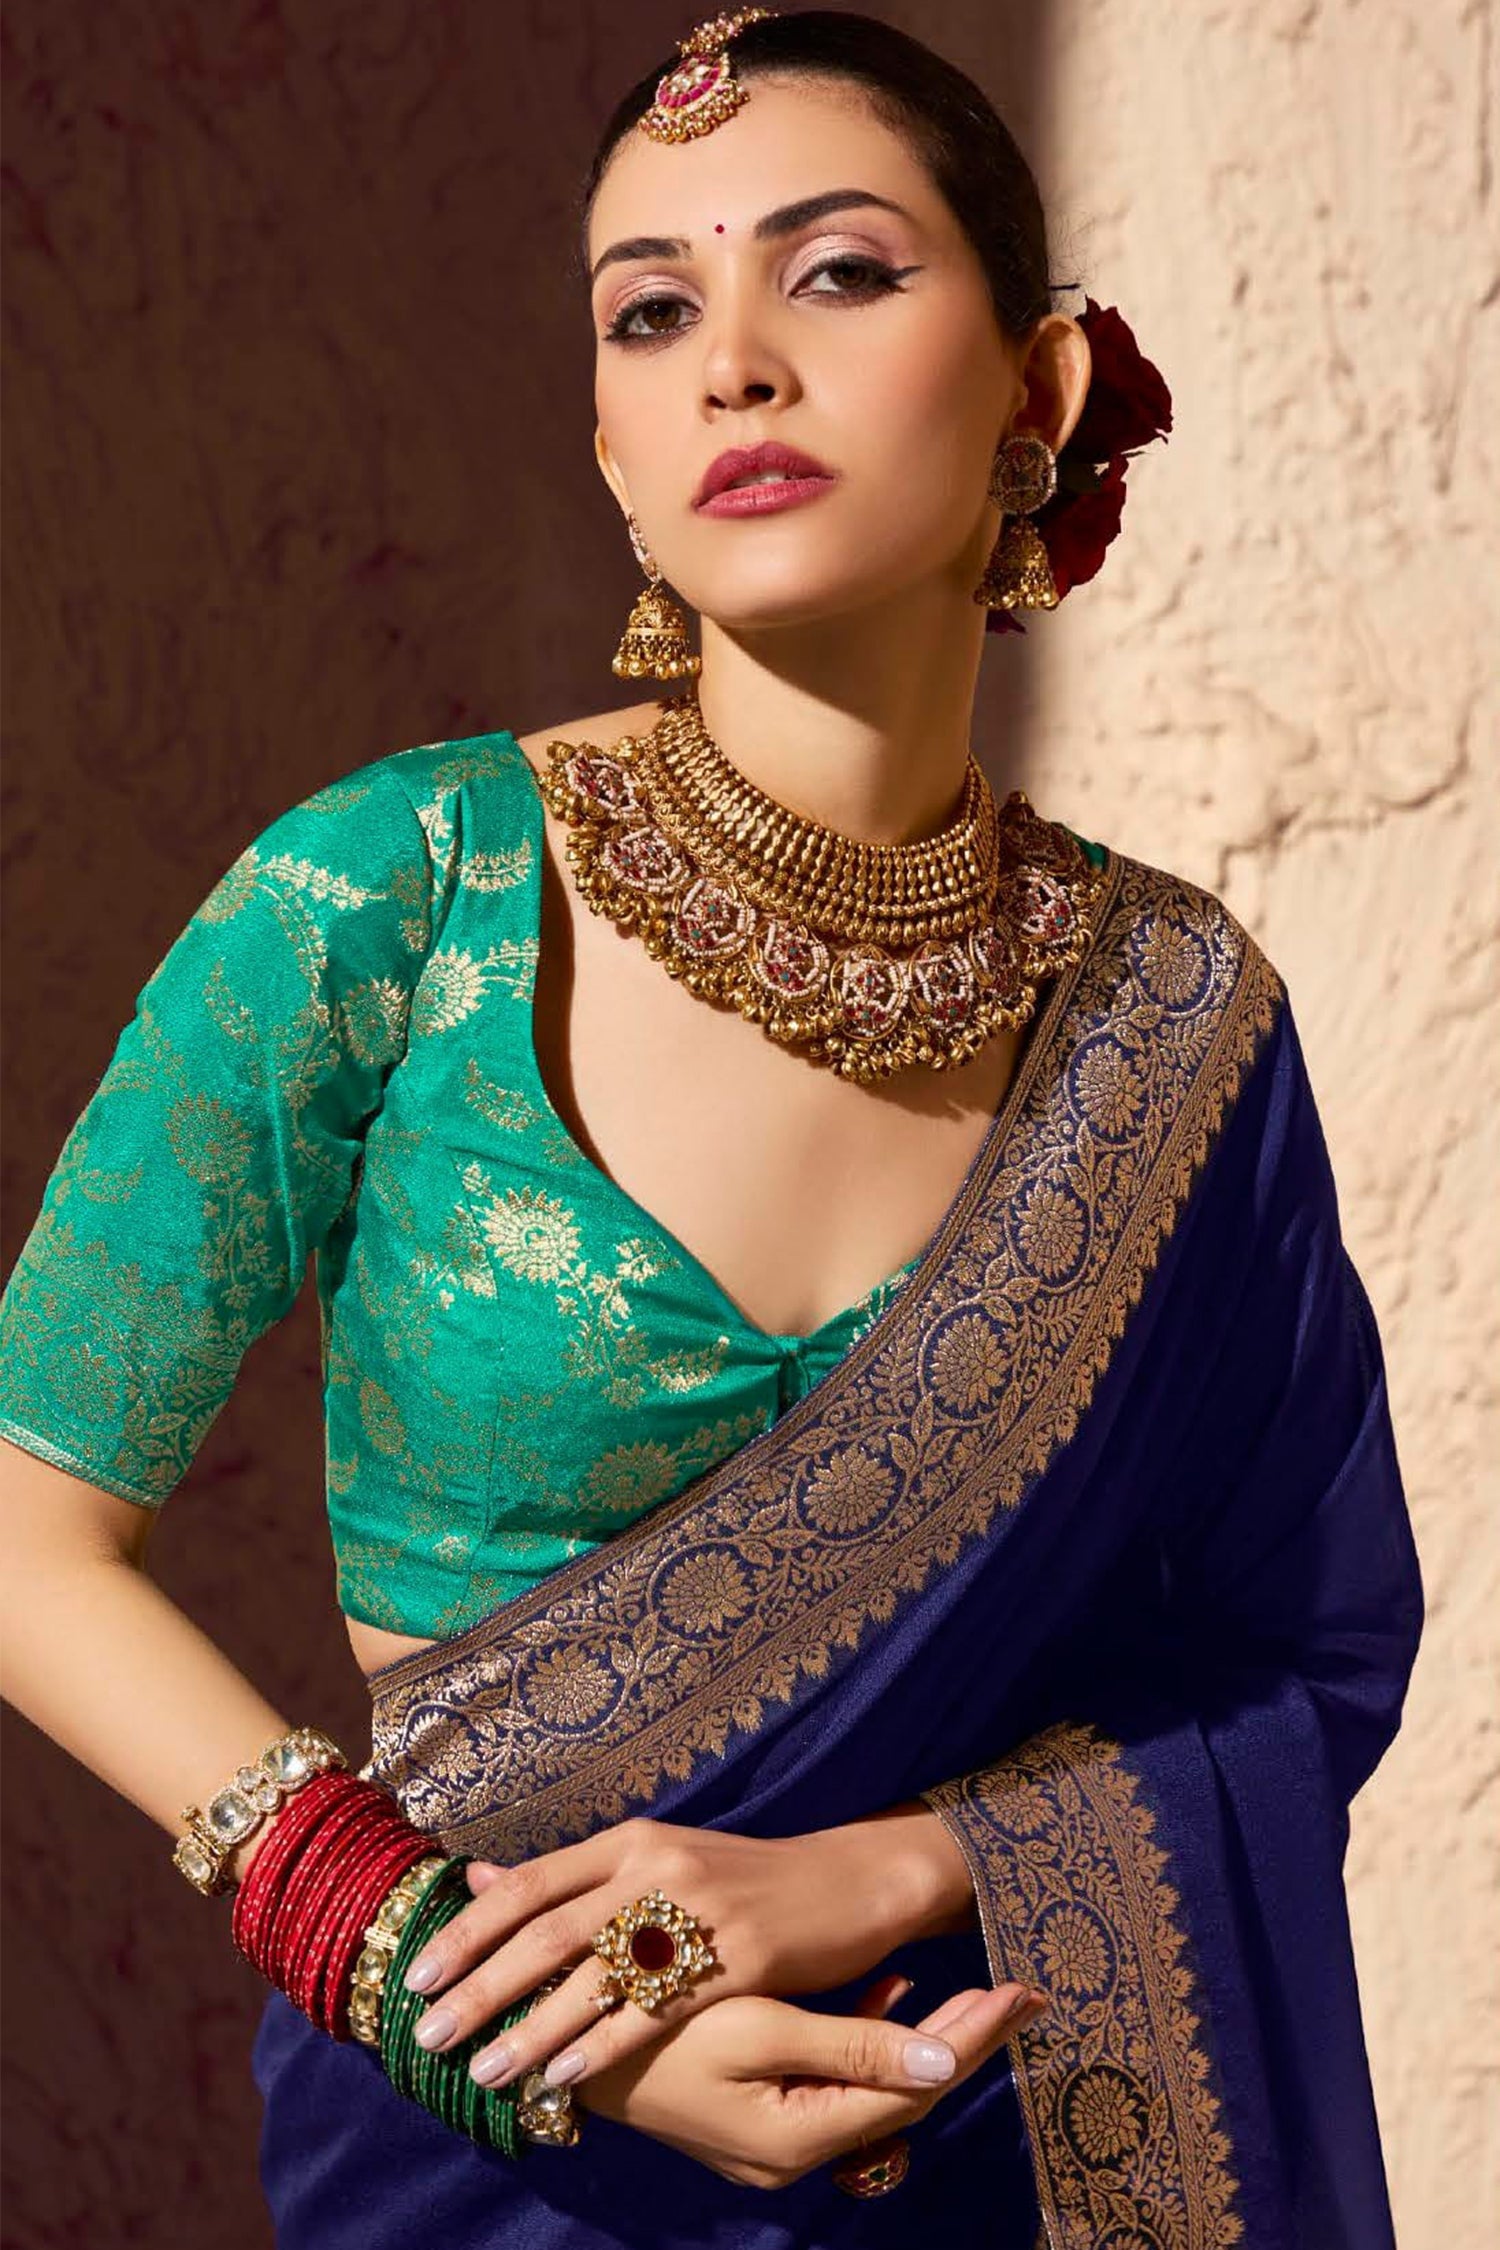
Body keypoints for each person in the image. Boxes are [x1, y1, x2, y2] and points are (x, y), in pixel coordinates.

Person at [0, 10, 1422, 2246]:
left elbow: (1301, 1661)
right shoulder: (397, 896)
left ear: (1043, 387)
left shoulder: (1173, 1027)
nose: (734, 365)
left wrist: (880, 1871)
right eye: (651, 313)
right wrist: (459, 1986)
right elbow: (25, 1532)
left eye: (838, 272)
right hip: (488, 2141)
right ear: (608, 443)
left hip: (1008, 2139)